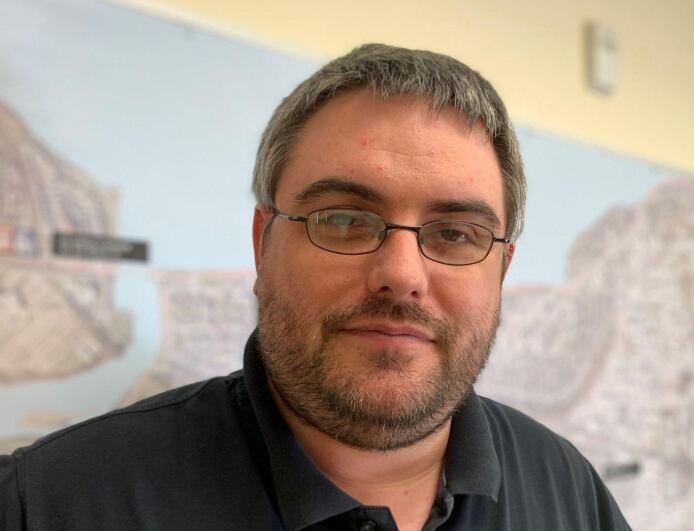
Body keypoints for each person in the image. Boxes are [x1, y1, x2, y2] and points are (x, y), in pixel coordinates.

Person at [0, 43, 631, 530]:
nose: (403, 275)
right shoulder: (51, 504)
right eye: (345, 221)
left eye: (456, 234)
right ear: (263, 243)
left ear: (501, 269)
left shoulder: (567, 490)